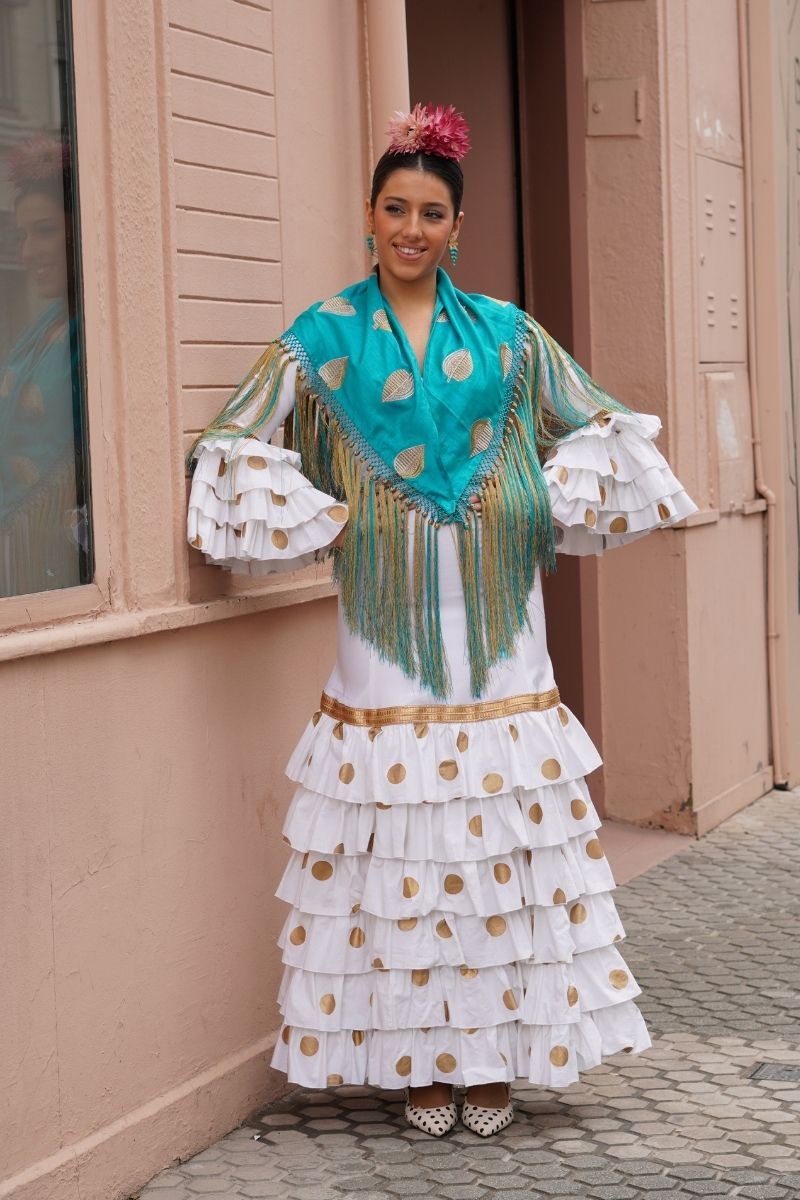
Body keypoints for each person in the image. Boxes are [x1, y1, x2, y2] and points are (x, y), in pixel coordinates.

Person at [187, 104, 696, 1138]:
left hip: (500, 616)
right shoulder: (318, 339)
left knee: (497, 844)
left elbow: (601, 421)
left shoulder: (509, 336)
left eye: (430, 213)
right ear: (366, 216)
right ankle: (419, 1058)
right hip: (381, 628)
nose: (410, 228)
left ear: (455, 228)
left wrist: (538, 494)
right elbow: (229, 438)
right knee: (402, 847)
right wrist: (314, 512)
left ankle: (495, 1056)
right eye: (393, 208)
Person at [0, 133, 87, 598]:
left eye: (45, 230)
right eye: (21, 236)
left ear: (81, 227)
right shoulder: (39, 332)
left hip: (62, 561)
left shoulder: (97, 334)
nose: (28, 251)